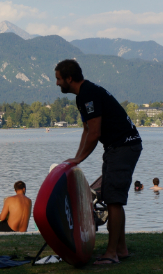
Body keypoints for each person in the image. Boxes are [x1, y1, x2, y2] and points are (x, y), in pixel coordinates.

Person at [54, 59, 142, 265]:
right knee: (114, 199)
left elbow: (95, 133)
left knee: (113, 199)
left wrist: (79, 159)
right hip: (116, 147)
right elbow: (86, 130)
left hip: (124, 146)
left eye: (58, 79)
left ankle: (111, 254)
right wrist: (75, 159)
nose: (57, 83)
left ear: (69, 78)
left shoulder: (88, 93)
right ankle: (120, 248)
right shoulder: (82, 96)